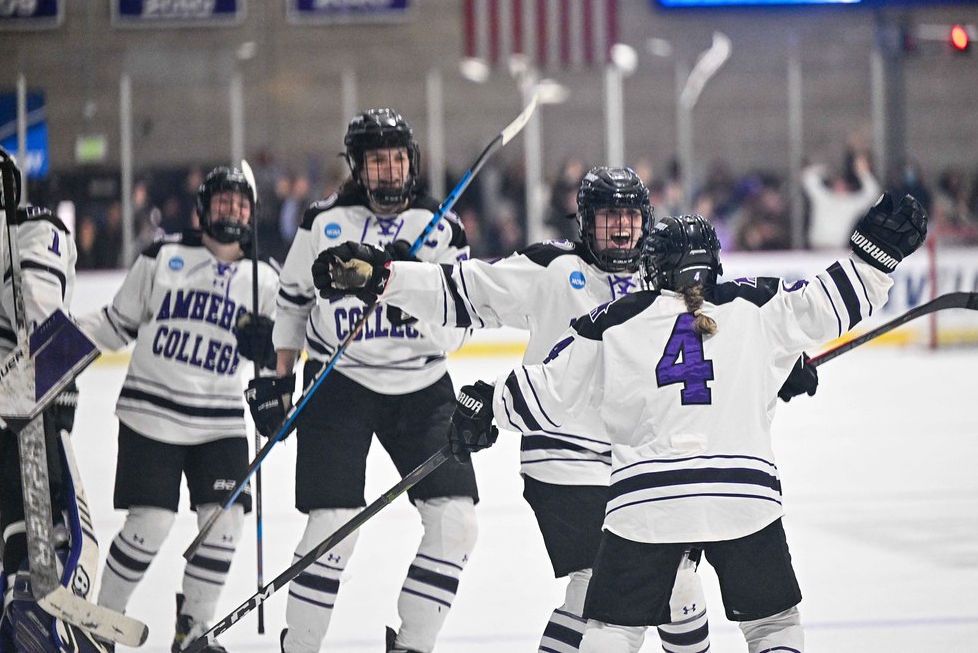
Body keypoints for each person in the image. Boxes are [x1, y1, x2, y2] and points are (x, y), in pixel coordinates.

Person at [311, 167, 818, 651]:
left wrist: (780, 363)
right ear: (584, 223)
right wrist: (384, 276)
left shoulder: (659, 280)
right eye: (607, 217)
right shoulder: (550, 269)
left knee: (670, 588)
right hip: (563, 458)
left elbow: (713, 348)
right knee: (613, 584)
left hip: (635, 465)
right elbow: (461, 289)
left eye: (630, 217)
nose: (621, 229)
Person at [447, 193, 927, 651]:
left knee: (611, 629)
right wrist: (873, 258)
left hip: (646, 501)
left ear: (653, 266)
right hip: (744, 495)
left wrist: (488, 403)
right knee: (773, 625)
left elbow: (550, 392)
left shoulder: (612, 321)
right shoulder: (755, 306)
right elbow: (829, 303)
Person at [246, 108, 478, 653]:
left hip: (423, 388)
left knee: (456, 525)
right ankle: (299, 645)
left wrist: (411, 284)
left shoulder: (440, 229)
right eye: (377, 161)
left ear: (412, 163)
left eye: (398, 159)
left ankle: (412, 644)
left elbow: (460, 331)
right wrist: (279, 377)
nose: (390, 171)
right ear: (356, 166)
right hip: (338, 379)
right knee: (332, 528)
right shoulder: (323, 221)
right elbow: (295, 299)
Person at [76, 166, 279, 653]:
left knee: (225, 524)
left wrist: (268, 355)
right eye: (223, 202)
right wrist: (53, 344)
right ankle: (101, 625)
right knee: (151, 524)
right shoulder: (161, 256)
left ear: (252, 214)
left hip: (220, 421)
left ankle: (195, 632)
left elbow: (286, 355)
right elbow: (114, 325)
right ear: (202, 209)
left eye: (241, 204)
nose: (232, 210)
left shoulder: (265, 279)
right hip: (152, 415)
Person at [0, 150, 113, 651]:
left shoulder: (34, 229)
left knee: (30, 509)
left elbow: (47, 322)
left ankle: (36, 588)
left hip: (28, 399)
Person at [801, 148, 880, 250]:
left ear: (848, 188)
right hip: (815, 249)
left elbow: (872, 194)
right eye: (837, 184)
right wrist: (825, 169)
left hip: (837, 250)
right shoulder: (823, 197)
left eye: (843, 184)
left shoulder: (851, 203)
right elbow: (808, 178)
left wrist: (863, 173)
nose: (839, 186)